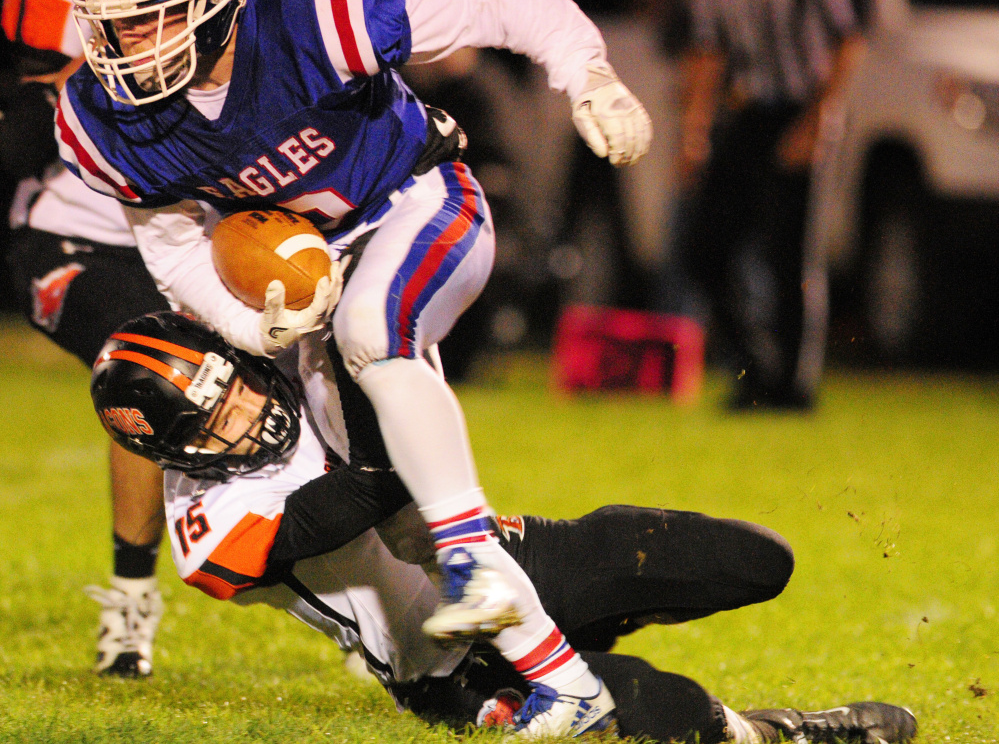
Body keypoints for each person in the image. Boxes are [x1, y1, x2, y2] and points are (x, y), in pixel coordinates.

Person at [57, 0, 653, 735]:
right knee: (401, 517)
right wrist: (248, 328)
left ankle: (472, 561)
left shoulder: (313, 8)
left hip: (417, 200)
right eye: (114, 24)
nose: (130, 48)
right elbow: (176, 251)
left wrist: (583, 69)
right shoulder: (104, 118)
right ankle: (563, 680)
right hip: (319, 265)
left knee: (373, 330)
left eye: (156, 16)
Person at [88, 310, 918, 744]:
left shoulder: (270, 361)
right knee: (658, 712)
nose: (249, 408)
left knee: (750, 559)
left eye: (235, 384)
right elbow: (368, 489)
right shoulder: (207, 521)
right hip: (445, 656)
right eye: (218, 418)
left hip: (501, 556)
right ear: (171, 449)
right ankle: (785, 733)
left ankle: (604, 617)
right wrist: (356, 330)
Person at [0, 0, 294, 678]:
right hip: (82, 237)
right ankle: (132, 607)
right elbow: (23, 129)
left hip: (207, 236)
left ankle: (367, 579)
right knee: (151, 360)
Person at [675, 0, 865, 411]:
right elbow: (708, 51)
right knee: (704, 251)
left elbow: (847, 41)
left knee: (790, 256)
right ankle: (756, 369)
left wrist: (815, 122)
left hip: (803, 109)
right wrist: (694, 134)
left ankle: (792, 387)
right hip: (750, 112)